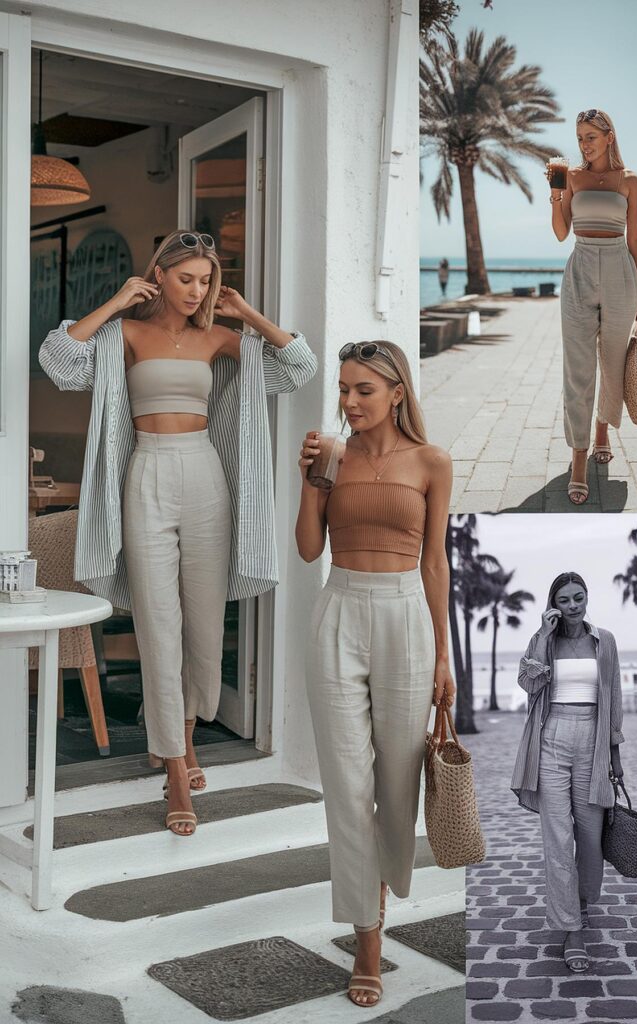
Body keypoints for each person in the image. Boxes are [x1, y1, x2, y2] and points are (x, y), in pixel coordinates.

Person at [39, 230, 317, 836]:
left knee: (201, 623)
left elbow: (298, 367)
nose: (196, 291)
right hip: (146, 472)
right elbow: (58, 360)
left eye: (205, 281)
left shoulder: (219, 338)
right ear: (159, 275)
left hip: (204, 474)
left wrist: (246, 313)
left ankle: (185, 743)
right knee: (157, 623)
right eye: (185, 278)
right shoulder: (127, 335)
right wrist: (115, 301)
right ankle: (172, 771)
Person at [295, 340, 455, 1008]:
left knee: (396, 780)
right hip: (339, 610)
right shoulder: (331, 458)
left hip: (405, 619)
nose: (349, 402)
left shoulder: (431, 462)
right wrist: (311, 481)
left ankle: (380, 893)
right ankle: (366, 936)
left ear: (396, 391)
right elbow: (308, 549)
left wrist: (445, 656)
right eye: (342, 388)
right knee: (345, 784)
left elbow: (435, 563)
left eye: (363, 389)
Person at [511, 572, 625, 973]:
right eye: (564, 599)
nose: (573, 605)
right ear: (554, 603)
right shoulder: (544, 640)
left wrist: (615, 755)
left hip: (593, 742)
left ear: (587, 598)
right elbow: (528, 683)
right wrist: (542, 636)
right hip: (552, 739)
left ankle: (578, 902)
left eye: (579, 598)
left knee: (590, 839)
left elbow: (613, 697)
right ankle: (570, 928)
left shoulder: (604, 641)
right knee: (558, 840)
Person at [547, 109, 637, 504]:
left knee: (612, 362)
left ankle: (603, 427)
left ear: (609, 137)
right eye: (579, 138)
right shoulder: (571, 176)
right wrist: (556, 196)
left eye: (591, 136)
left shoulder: (630, 181)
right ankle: (578, 456)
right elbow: (560, 233)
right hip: (580, 267)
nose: (584, 145)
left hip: (620, 271)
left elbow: (636, 237)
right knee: (578, 369)